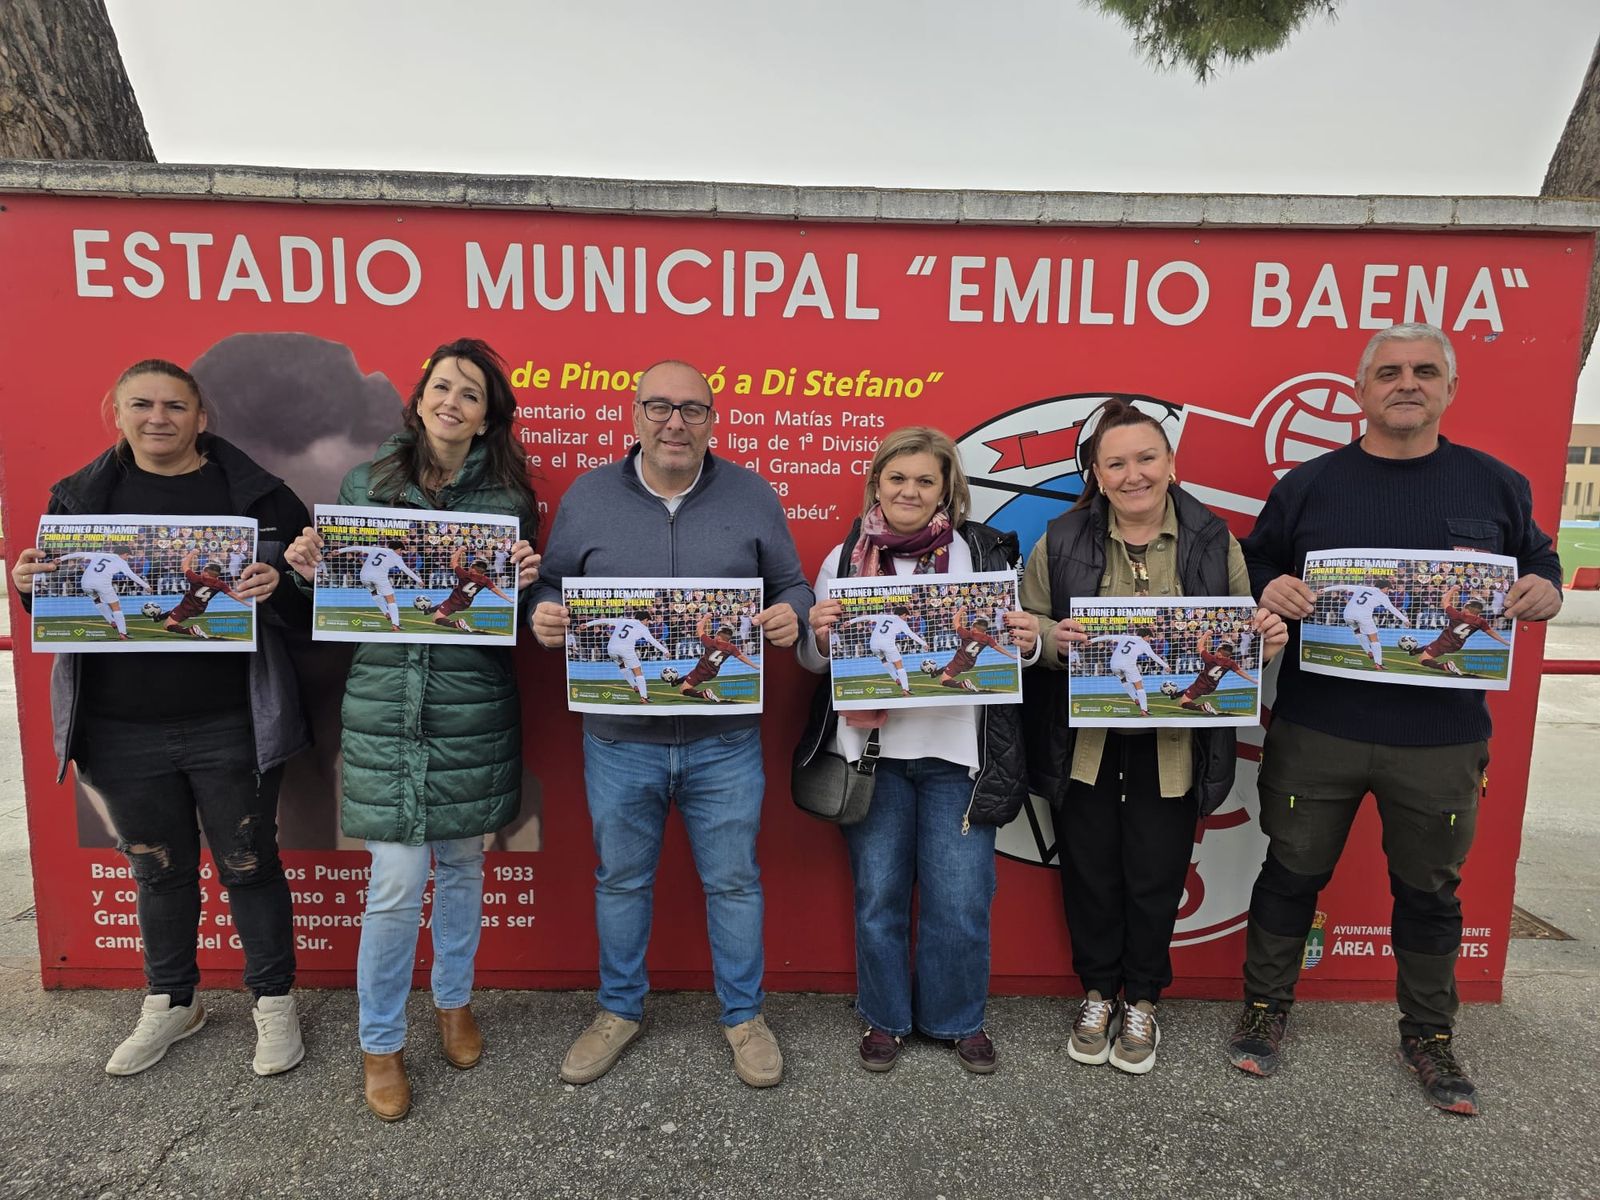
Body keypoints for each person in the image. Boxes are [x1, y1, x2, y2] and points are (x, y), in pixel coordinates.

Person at [1228, 323, 1562, 1116]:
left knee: (1431, 892)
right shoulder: (1311, 484)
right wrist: (1269, 587)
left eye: (1422, 371)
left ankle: (1430, 1033)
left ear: (1450, 388)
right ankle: (1267, 1006)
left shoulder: (1496, 485)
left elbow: (1539, 563)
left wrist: (1547, 589)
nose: (1405, 383)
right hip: (1319, 727)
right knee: (1290, 873)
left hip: (1441, 741)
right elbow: (1256, 559)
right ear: (1360, 391)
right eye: (1388, 372)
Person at [10, 358, 311, 1078]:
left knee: (248, 864)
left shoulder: (262, 498)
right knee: (158, 872)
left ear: (201, 417)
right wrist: (29, 589)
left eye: (175, 405)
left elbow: (313, 599)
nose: (158, 418)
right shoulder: (78, 498)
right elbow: (63, 610)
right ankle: (173, 1000)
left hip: (233, 720)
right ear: (115, 411)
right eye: (141, 404)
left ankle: (274, 1001)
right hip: (119, 727)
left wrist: (284, 584)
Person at [530, 359, 812, 1089]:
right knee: (620, 881)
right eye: (659, 406)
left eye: (692, 409)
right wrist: (545, 613)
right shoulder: (589, 497)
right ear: (633, 415)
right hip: (619, 742)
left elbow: (791, 582)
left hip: (724, 742)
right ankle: (618, 1010)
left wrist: (794, 613)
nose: (675, 422)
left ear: (714, 420)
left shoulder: (751, 494)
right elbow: (554, 582)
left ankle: (744, 1016)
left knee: (735, 883)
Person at [285, 338, 541, 1122]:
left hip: (471, 706)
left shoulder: (508, 497)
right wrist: (306, 569)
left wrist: (527, 587)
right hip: (386, 706)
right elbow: (330, 599)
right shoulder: (367, 483)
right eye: (441, 386)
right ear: (419, 396)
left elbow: (517, 616)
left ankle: (455, 1002)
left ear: (489, 413)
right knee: (396, 884)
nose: (452, 400)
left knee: (463, 866)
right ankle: (381, 1042)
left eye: (470, 392)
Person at [1020, 397, 1287, 1075]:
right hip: (1084, 742)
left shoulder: (1212, 539)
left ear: (1171, 463)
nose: (1132, 474)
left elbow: (1243, 641)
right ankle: (1098, 994)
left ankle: (1142, 999)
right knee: (1089, 876)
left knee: (1154, 875)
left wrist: (1268, 640)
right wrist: (1052, 639)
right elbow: (1022, 628)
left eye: (1146, 458)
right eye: (1117, 463)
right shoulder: (1062, 538)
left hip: (1177, 745)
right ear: (1098, 473)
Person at [797, 426, 1037, 1074]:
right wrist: (817, 634)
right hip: (873, 756)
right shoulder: (846, 557)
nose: (909, 490)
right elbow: (816, 663)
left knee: (961, 899)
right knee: (879, 895)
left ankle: (957, 1019)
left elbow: (1015, 648)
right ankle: (884, 1018)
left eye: (925, 480)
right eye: (897, 478)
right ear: (878, 482)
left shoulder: (981, 553)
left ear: (947, 491)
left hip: (957, 754)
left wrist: (1026, 639)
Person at [1407, 586, 1509, 677]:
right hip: (1456, 646)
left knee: (1422, 660)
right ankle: (1414, 651)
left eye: (1465, 606)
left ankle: (1445, 666)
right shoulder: (1480, 621)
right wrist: (1505, 642)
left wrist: (1453, 589)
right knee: (1433, 644)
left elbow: (1445, 602)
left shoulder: (1457, 615)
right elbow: (1491, 632)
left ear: (1467, 610)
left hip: (1445, 642)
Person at [579, 609, 669, 703]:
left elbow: (603, 620)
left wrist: (587, 624)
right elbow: (653, 641)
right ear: (645, 619)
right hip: (626, 649)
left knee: (622, 665)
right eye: (647, 621)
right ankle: (644, 697)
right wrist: (665, 651)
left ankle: (634, 685)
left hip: (611, 648)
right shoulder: (643, 627)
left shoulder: (623, 620)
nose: (647, 623)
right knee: (638, 671)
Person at [151, 550, 248, 638]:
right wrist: (247, 603)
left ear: (206, 574)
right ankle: (158, 617)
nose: (202, 571)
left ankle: (191, 630)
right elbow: (233, 595)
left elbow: (184, 566)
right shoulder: (220, 584)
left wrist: (192, 553)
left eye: (204, 571)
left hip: (187, 606)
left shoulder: (197, 579)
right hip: (200, 609)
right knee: (176, 610)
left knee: (167, 626)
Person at [1316, 581, 1410, 669]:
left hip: (1348, 614)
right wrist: (1405, 620)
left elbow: (1342, 586)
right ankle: (1378, 663)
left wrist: (1324, 590)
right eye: (1387, 589)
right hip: (1363, 616)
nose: (1388, 591)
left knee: (1357, 631)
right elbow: (1392, 609)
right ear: (1384, 588)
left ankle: (1368, 651)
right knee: (1374, 638)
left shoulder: (1362, 588)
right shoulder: (1383, 596)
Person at [425, 545, 514, 633]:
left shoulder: (464, 575)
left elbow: (453, 562)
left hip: (454, 601)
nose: (470, 566)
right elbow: (496, 590)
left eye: (471, 566)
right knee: (445, 603)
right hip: (465, 604)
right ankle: (429, 610)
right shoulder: (485, 580)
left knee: (436, 619)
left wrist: (460, 550)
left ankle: (457, 624)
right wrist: (509, 599)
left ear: (473, 570)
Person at [844, 605, 927, 697]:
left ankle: (896, 678)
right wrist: (924, 644)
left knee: (883, 659)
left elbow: (866, 617)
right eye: (906, 616)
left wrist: (850, 621)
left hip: (873, 644)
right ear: (903, 615)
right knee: (899, 665)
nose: (906, 618)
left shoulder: (884, 616)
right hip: (887, 644)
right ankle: (905, 689)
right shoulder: (901, 622)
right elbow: (911, 634)